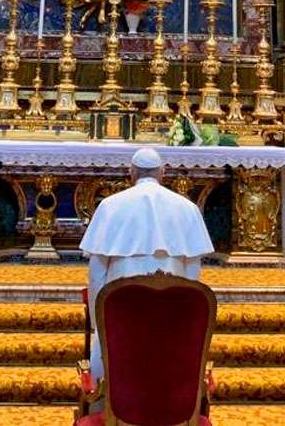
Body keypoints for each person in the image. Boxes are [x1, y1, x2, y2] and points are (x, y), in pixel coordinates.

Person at [80, 147, 214, 385]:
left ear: (131, 173)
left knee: (112, 361)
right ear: (163, 172)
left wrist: (97, 320)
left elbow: (97, 273)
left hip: (118, 311)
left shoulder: (110, 206)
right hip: (173, 312)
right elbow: (194, 276)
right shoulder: (187, 208)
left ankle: (110, 410)